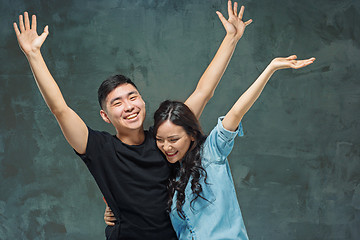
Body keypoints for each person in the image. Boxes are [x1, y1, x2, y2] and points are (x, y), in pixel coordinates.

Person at [13, 1, 252, 239]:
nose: (129, 106)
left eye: (133, 97)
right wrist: (33, 55)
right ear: (105, 116)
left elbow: (203, 92)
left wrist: (231, 38)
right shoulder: (100, 149)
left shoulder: (164, 141)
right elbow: (60, 109)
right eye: (117, 103)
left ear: (142, 101)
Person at [105, 55, 315, 239]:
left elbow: (236, 111)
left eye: (173, 139)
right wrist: (113, 209)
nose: (166, 147)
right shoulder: (169, 174)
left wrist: (270, 69)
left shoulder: (212, 152)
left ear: (192, 135)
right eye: (160, 140)